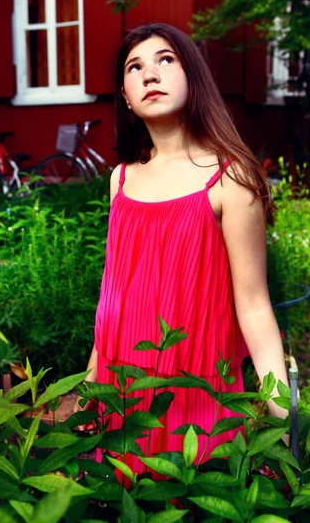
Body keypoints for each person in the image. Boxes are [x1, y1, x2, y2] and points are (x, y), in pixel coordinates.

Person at [74, 23, 288, 473]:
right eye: (136, 67)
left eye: (165, 60)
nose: (150, 74)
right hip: (123, 389)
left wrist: (282, 423)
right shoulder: (122, 179)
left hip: (195, 395)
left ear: (193, 77)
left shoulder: (231, 177)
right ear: (127, 98)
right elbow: (113, 292)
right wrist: (91, 385)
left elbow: (253, 306)